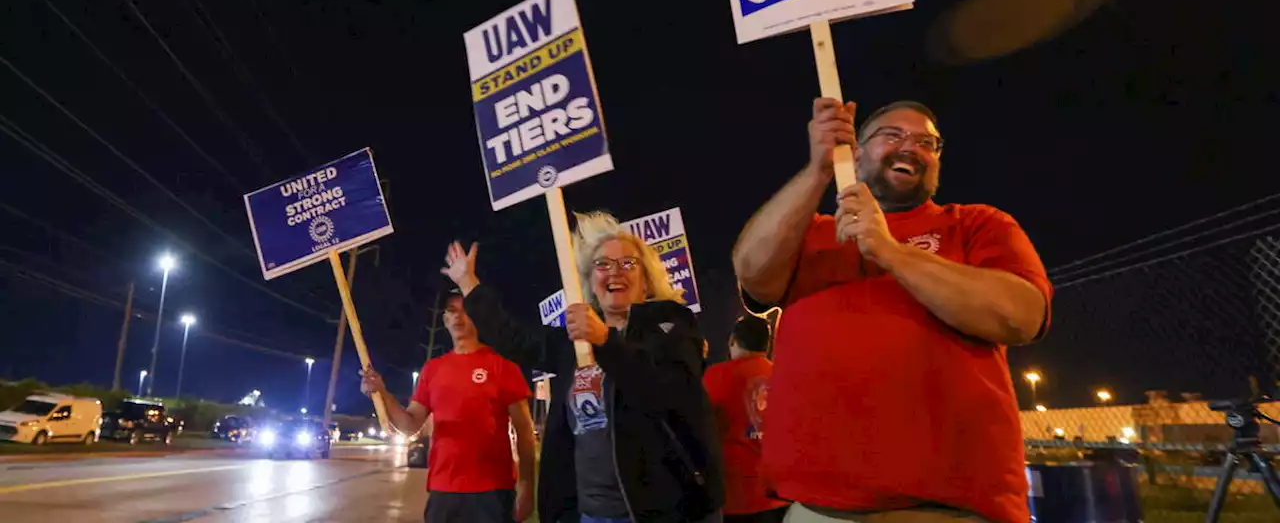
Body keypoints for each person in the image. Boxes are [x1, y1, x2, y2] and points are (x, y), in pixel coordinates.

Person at [733, 99, 1053, 523]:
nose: (910, 147)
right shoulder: (811, 233)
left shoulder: (976, 224)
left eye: (927, 142)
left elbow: (1021, 315)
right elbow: (752, 272)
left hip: (945, 509)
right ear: (856, 151)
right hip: (816, 507)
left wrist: (889, 251)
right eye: (892, 135)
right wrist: (818, 170)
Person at [444, 210, 724, 523]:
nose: (614, 271)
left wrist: (606, 341)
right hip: (589, 514)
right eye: (602, 264)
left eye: (627, 263)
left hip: (665, 512)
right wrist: (468, 283)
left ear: (646, 281)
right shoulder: (575, 342)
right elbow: (515, 339)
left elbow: (668, 390)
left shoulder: (672, 324)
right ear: (590, 282)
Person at [360, 286, 536, 523]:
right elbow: (410, 425)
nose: (457, 316)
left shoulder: (502, 365)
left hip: (492, 492)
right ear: (444, 319)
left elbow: (524, 430)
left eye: (465, 310)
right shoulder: (432, 370)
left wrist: (526, 486)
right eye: (451, 310)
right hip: (444, 492)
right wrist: (381, 393)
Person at [703, 316, 788, 523]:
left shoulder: (715, 376)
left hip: (735, 498)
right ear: (767, 345)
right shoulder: (784, 376)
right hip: (779, 497)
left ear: (732, 341)